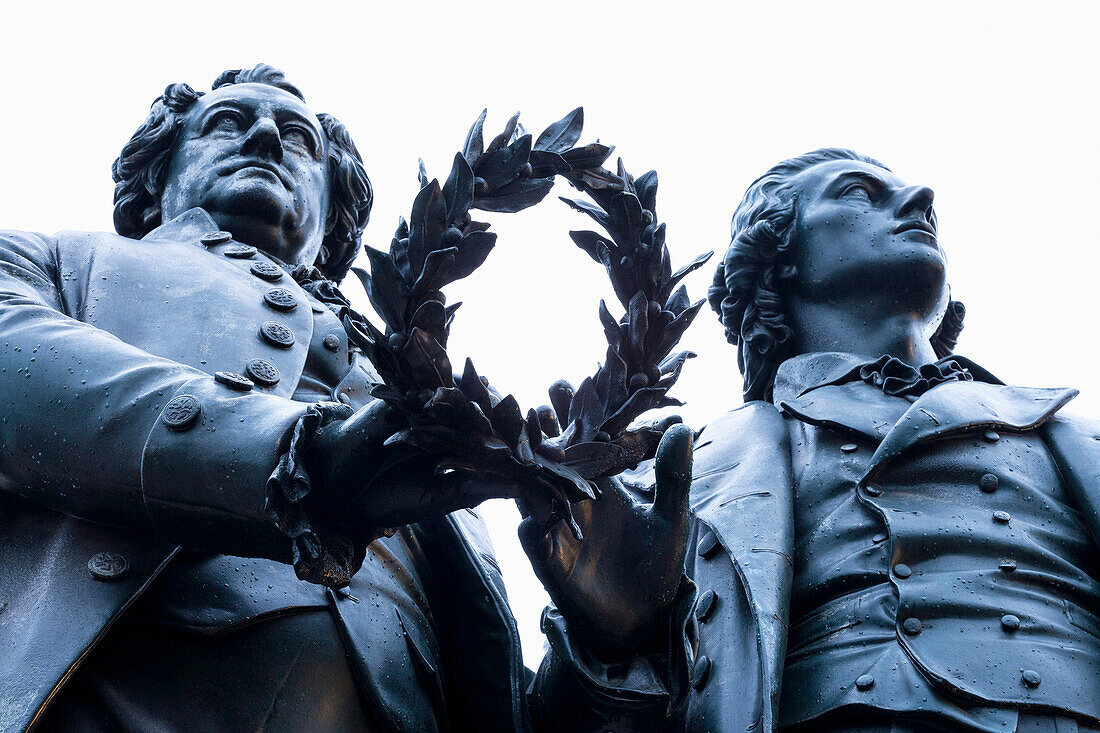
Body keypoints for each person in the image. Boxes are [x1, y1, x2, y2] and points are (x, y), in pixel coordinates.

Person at [0, 64, 695, 732]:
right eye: (227, 122)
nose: (267, 139)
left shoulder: (418, 386)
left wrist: (607, 650)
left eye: (300, 139)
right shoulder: (62, 265)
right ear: (158, 177)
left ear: (334, 214)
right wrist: (299, 460)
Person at [670, 148, 1100, 732]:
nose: (921, 197)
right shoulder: (691, 469)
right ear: (781, 255)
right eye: (857, 194)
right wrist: (600, 647)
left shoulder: (1066, 430)